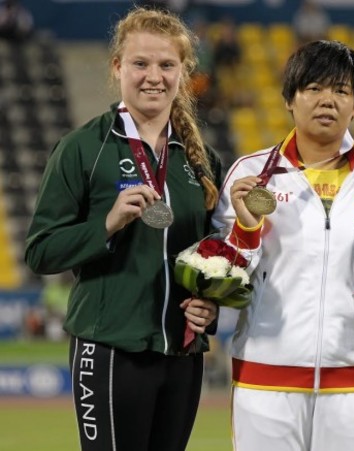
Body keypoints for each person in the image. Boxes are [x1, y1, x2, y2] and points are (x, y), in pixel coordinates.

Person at [24, 7, 221, 451]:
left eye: (167, 65)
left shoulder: (202, 161)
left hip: (181, 352)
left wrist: (211, 306)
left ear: (183, 72)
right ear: (117, 68)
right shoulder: (82, 149)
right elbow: (41, 251)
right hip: (109, 348)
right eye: (140, 63)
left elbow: (215, 258)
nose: (154, 76)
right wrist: (107, 224)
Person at [212, 40, 354, 451]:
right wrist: (247, 228)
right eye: (314, 88)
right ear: (290, 98)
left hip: (353, 376)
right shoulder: (250, 174)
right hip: (265, 375)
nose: (328, 101)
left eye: (341, 91)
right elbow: (223, 275)